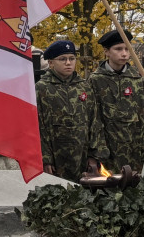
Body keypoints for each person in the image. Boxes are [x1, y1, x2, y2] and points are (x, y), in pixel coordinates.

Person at [35, 40, 108, 182]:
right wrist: (45, 158)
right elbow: (39, 125)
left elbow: (94, 122)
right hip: (56, 156)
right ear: (51, 63)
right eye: (62, 59)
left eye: (71, 58)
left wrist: (95, 155)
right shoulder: (42, 88)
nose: (68, 63)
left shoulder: (84, 87)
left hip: (82, 155)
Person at [89, 29, 144, 172]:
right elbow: (93, 119)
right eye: (118, 49)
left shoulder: (136, 79)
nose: (124, 53)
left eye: (127, 49)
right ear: (106, 51)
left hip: (135, 150)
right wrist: (97, 151)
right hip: (108, 150)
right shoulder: (96, 80)